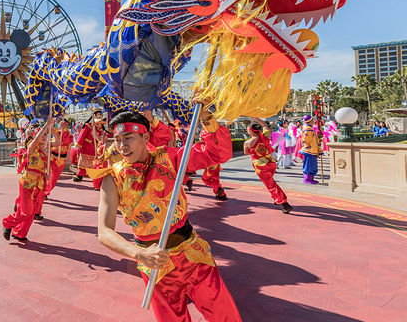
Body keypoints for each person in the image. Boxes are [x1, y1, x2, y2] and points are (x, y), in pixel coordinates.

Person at [96, 109, 241, 321]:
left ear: (145, 137)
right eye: (117, 139)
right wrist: (138, 253)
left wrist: (207, 119)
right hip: (155, 265)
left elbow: (219, 153)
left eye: (128, 138)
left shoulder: (171, 159)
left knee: (225, 315)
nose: (122, 146)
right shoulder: (112, 179)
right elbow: (104, 232)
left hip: (194, 256)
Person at [2, 117, 54, 242]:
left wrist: (47, 175)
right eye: (43, 135)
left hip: (38, 186)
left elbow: (47, 169)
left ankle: (19, 233)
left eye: (46, 136)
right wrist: (47, 125)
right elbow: (36, 140)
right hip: (27, 184)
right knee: (27, 211)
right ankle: (7, 223)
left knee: (30, 214)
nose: (44, 138)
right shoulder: (31, 147)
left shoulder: (45, 152)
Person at [244, 120, 293, 214]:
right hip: (271, 163)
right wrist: (256, 117)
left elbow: (246, 153)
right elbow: (265, 125)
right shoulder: (264, 136)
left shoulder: (247, 143)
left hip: (261, 166)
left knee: (271, 185)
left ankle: (285, 204)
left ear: (250, 131)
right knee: (271, 182)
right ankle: (276, 198)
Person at [74, 110, 108, 183]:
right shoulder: (88, 126)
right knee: (83, 162)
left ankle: (94, 178)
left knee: (95, 163)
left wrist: (98, 138)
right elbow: (82, 135)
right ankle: (79, 175)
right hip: (86, 146)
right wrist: (78, 144)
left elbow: (102, 138)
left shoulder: (101, 128)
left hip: (95, 148)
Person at [43, 117, 74, 199]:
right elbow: (49, 128)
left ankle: (46, 192)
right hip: (51, 157)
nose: (62, 124)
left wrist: (64, 131)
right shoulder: (56, 131)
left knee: (53, 179)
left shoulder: (70, 137)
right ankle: (41, 191)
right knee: (45, 174)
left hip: (61, 160)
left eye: (64, 124)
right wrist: (51, 121)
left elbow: (65, 142)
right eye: (61, 123)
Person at [299, 115, 322, 184]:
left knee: (312, 165)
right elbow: (306, 139)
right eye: (312, 120)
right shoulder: (308, 128)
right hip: (309, 150)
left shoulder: (309, 128)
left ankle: (311, 178)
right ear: (309, 121)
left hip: (312, 150)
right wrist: (308, 145)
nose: (313, 121)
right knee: (309, 165)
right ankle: (307, 179)